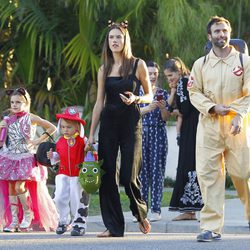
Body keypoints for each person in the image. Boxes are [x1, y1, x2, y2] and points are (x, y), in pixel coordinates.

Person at [86, 20, 153, 237]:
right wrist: (90, 134)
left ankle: (139, 212)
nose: (115, 41)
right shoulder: (104, 68)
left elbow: (150, 95)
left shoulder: (138, 64)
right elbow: (99, 103)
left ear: (125, 41)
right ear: (108, 41)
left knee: (128, 175)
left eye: (119, 37)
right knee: (108, 177)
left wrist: (137, 97)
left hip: (131, 125)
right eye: (111, 37)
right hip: (108, 126)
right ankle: (113, 226)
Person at [188, 16, 250, 242]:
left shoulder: (244, 61)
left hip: (237, 127)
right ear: (209, 36)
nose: (221, 35)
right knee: (209, 177)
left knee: (243, 173)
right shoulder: (200, 64)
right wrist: (212, 107)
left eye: (224, 31)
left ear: (229, 33)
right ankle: (211, 227)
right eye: (217, 31)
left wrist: (238, 114)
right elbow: (194, 93)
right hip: (210, 127)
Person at [0, 87, 58, 232]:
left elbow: (52, 128)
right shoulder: (7, 119)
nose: (14, 105)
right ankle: (14, 221)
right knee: (12, 188)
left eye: (18, 102)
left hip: (25, 157)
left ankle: (28, 214)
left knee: (20, 186)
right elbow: (2, 140)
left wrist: (38, 140)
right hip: (9, 156)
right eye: (12, 102)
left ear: (26, 103)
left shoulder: (31, 118)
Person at [164, 57, 203, 221]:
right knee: (190, 164)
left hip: (191, 128)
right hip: (193, 128)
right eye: (167, 76)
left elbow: (184, 110)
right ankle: (191, 209)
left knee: (188, 164)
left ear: (179, 71)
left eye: (171, 75)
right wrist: (173, 93)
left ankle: (190, 210)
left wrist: (177, 111)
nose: (169, 79)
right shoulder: (186, 82)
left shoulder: (183, 83)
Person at [47, 106, 89, 236]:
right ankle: (63, 221)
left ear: (77, 127)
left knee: (78, 199)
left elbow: (91, 153)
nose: (65, 129)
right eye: (63, 127)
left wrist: (91, 149)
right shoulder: (60, 141)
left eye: (69, 127)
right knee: (59, 197)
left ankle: (79, 223)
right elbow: (58, 157)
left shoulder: (83, 141)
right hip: (63, 174)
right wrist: (52, 156)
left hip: (78, 175)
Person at [139, 61, 169, 222]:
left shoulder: (163, 93)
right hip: (141, 133)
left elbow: (165, 118)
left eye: (154, 74)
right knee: (141, 172)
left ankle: (156, 209)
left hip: (158, 133)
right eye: (149, 73)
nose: (151, 76)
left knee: (157, 172)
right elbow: (133, 115)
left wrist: (163, 107)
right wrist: (148, 107)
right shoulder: (138, 93)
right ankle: (142, 209)